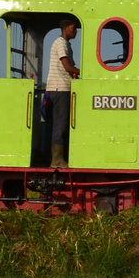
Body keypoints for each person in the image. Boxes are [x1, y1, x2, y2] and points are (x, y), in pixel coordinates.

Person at [43, 20, 80, 168]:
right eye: (73, 28)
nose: (75, 31)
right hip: (60, 87)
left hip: (60, 87)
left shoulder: (65, 44)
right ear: (65, 29)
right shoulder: (61, 43)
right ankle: (57, 160)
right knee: (61, 124)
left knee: (61, 123)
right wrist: (85, 72)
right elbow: (67, 67)